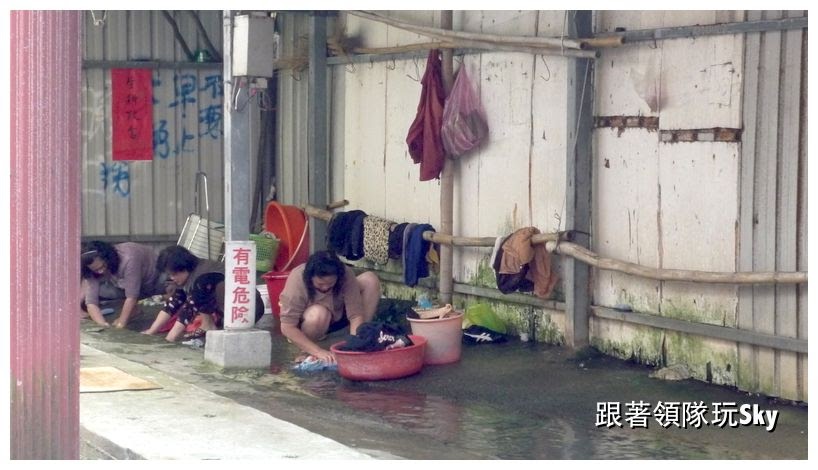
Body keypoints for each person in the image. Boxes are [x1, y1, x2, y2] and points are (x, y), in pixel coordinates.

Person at [141, 245, 264, 342]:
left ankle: (209, 326)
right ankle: (207, 325)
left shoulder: (201, 276)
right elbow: (174, 302)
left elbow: (188, 310)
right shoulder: (190, 274)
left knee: (201, 289)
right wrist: (152, 331)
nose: (172, 278)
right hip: (231, 308)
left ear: (183, 268)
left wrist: (169, 339)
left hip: (247, 309)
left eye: (173, 274)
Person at [278, 250, 381, 363]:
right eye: (320, 284)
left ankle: (360, 337)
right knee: (318, 314)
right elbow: (287, 327)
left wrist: (354, 347)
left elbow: (356, 315)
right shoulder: (297, 280)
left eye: (330, 284)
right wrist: (318, 352)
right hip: (311, 322)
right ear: (310, 278)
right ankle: (306, 350)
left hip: (338, 315)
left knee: (370, 279)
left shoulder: (345, 274)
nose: (325, 288)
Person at [81, 241, 167, 328]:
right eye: (96, 270)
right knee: (102, 291)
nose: (101, 271)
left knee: (168, 282)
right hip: (129, 285)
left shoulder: (129, 259)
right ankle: (133, 310)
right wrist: (102, 324)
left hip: (155, 279)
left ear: (107, 259)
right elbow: (91, 302)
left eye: (102, 266)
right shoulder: (90, 270)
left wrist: (121, 323)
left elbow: (132, 296)